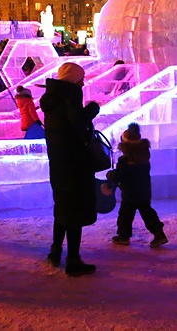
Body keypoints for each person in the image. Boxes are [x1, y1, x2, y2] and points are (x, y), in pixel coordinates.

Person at [39, 61, 100, 276]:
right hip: (74, 163)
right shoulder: (70, 95)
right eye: (81, 79)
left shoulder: (52, 98)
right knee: (75, 211)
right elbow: (77, 122)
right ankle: (73, 261)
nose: (83, 83)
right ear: (74, 79)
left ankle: (55, 252)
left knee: (63, 207)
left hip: (58, 161)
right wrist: (92, 109)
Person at [105, 123, 167, 248]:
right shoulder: (144, 156)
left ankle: (123, 236)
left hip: (130, 194)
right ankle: (159, 234)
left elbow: (121, 175)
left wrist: (111, 176)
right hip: (144, 191)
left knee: (125, 215)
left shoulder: (124, 161)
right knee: (148, 213)